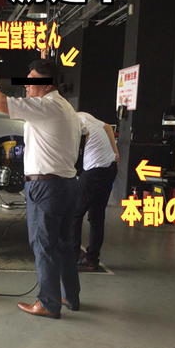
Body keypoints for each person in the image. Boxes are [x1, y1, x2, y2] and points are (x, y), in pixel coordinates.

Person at [0, 59, 81, 319]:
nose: (26, 85)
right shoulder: (66, 107)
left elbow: (1, 104)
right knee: (63, 245)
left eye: (32, 81)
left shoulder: (45, 106)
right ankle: (69, 296)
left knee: (44, 245)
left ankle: (48, 303)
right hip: (67, 185)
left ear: (47, 84)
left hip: (46, 186)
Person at [73, 112, 119, 271]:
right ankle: (92, 260)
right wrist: (115, 152)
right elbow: (108, 127)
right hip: (110, 168)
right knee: (97, 215)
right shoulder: (85, 116)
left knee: (74, 213)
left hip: (94, 170)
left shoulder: (71, 119)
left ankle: (72, 257)